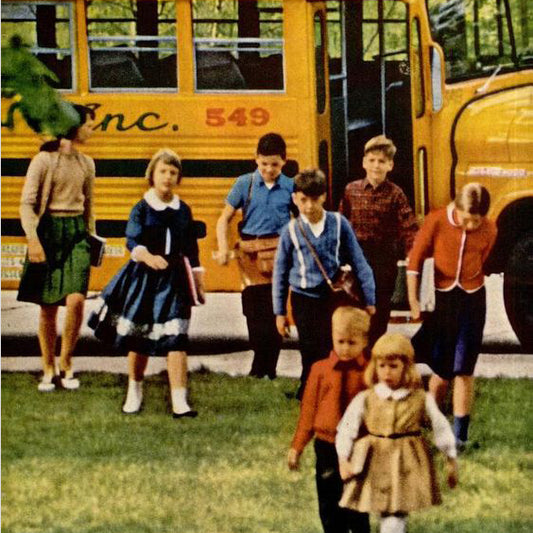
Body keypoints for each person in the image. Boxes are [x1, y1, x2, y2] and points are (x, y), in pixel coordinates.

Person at [88, 149, 204, 418]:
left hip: (174, 279)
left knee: (176, 337)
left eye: (173, 173)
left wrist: (198, 280)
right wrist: (148, 257)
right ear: (152, 175)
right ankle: (134, 391)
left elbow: (191, 248)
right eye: (163, 171)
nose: (168, 177)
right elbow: (132, 241)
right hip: (143, 278)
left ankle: (179, 401)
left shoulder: (183, 210)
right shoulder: (141, 208)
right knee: (138, 338)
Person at [336, 333, 458, 533]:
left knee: (396, 513)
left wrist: (450, 458)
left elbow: (440, 426)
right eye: (382, 366)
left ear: (406, 367)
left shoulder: (420, 399)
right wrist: (343, 459)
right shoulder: (367, 398)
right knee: (373, 508)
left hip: (406, 462)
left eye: (393, 366)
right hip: (373, 459)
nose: (387, 372)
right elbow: (346, 429)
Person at [407, 182, 497, 449]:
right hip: (444, 300)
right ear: (456, 208)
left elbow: (484, 257)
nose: (471, 226)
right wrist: (413, 301)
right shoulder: (436, 220)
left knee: (464, 369)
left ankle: (460, 436)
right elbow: (414, 262)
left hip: (473, 300)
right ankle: (430, 423)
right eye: (466, 220)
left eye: (476, 221)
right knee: (442, 369)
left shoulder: (490, 229)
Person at [273, 169, 375, 398]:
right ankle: (309, 390)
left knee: (333, 345)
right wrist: (279, 312)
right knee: (309, 347)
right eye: (303, 200)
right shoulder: (290, 230)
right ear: (295, 199)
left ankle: (336, 388)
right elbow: (280, 273)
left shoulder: (339, 224)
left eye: (314, 199)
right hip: (304, 297)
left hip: (334, 297)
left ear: (324, 197)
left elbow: (359, 261)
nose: (309, 206)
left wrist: (370, 299)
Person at [18, 104, 96, 392]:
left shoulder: (87, 163)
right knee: (48, 306)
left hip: (76, 232)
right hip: (47, 231)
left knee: (76, 300)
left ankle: (67, 363)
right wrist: (33, 240)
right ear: (74, 126)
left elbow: (90, 207)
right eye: (89, 125)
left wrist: (92, 238)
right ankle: (48, 368)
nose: (92, 130)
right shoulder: (44, 160)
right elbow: (26, 204)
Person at [215, 133, 294, 380]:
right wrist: (224, 246)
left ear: (284, 161)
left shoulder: (291, 186)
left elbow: (301, 220)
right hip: (249, 253)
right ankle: (259, 365)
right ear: (256, 159)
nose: (269, 170)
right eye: (264, 164)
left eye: (275, 165)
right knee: (253, 310)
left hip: (279, 252)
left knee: (275, 310)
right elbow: (224, 219)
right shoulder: (244, 183)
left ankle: (267, 369)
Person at [288, 306, 372, 533]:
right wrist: (297, 446)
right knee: (328, 498)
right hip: (326, 444)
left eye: (351, 343)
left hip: (358, 445)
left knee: (357, 499)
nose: (345, 348)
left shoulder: (369, 373)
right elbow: (308, 411)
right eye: (340, 341)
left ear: (364, 341)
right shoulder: (320, 370)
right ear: (332, 337)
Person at [339, 135, 418, 348]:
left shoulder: (396, 194)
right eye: (372, 160)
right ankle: (357, 352)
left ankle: (376, 351)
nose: (376, 165)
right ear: (364, 162)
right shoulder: (351, 190)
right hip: (357, 256)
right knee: (355, 306)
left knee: (380, 306)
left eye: (382, 161)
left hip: (383, 258)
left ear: (390, 165)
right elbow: (341, 223)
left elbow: (408, 226)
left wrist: (413, 254)